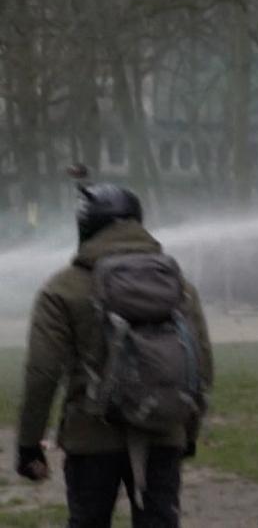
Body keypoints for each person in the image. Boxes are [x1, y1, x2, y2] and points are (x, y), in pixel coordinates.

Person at [14, 183, 214, 527]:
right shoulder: (177, 285)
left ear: (85, 227)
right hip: (162, 433)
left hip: (90, 438)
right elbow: (201, 366)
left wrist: (29, 444)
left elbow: (42, 373)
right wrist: (187, 431)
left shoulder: (62, 288)